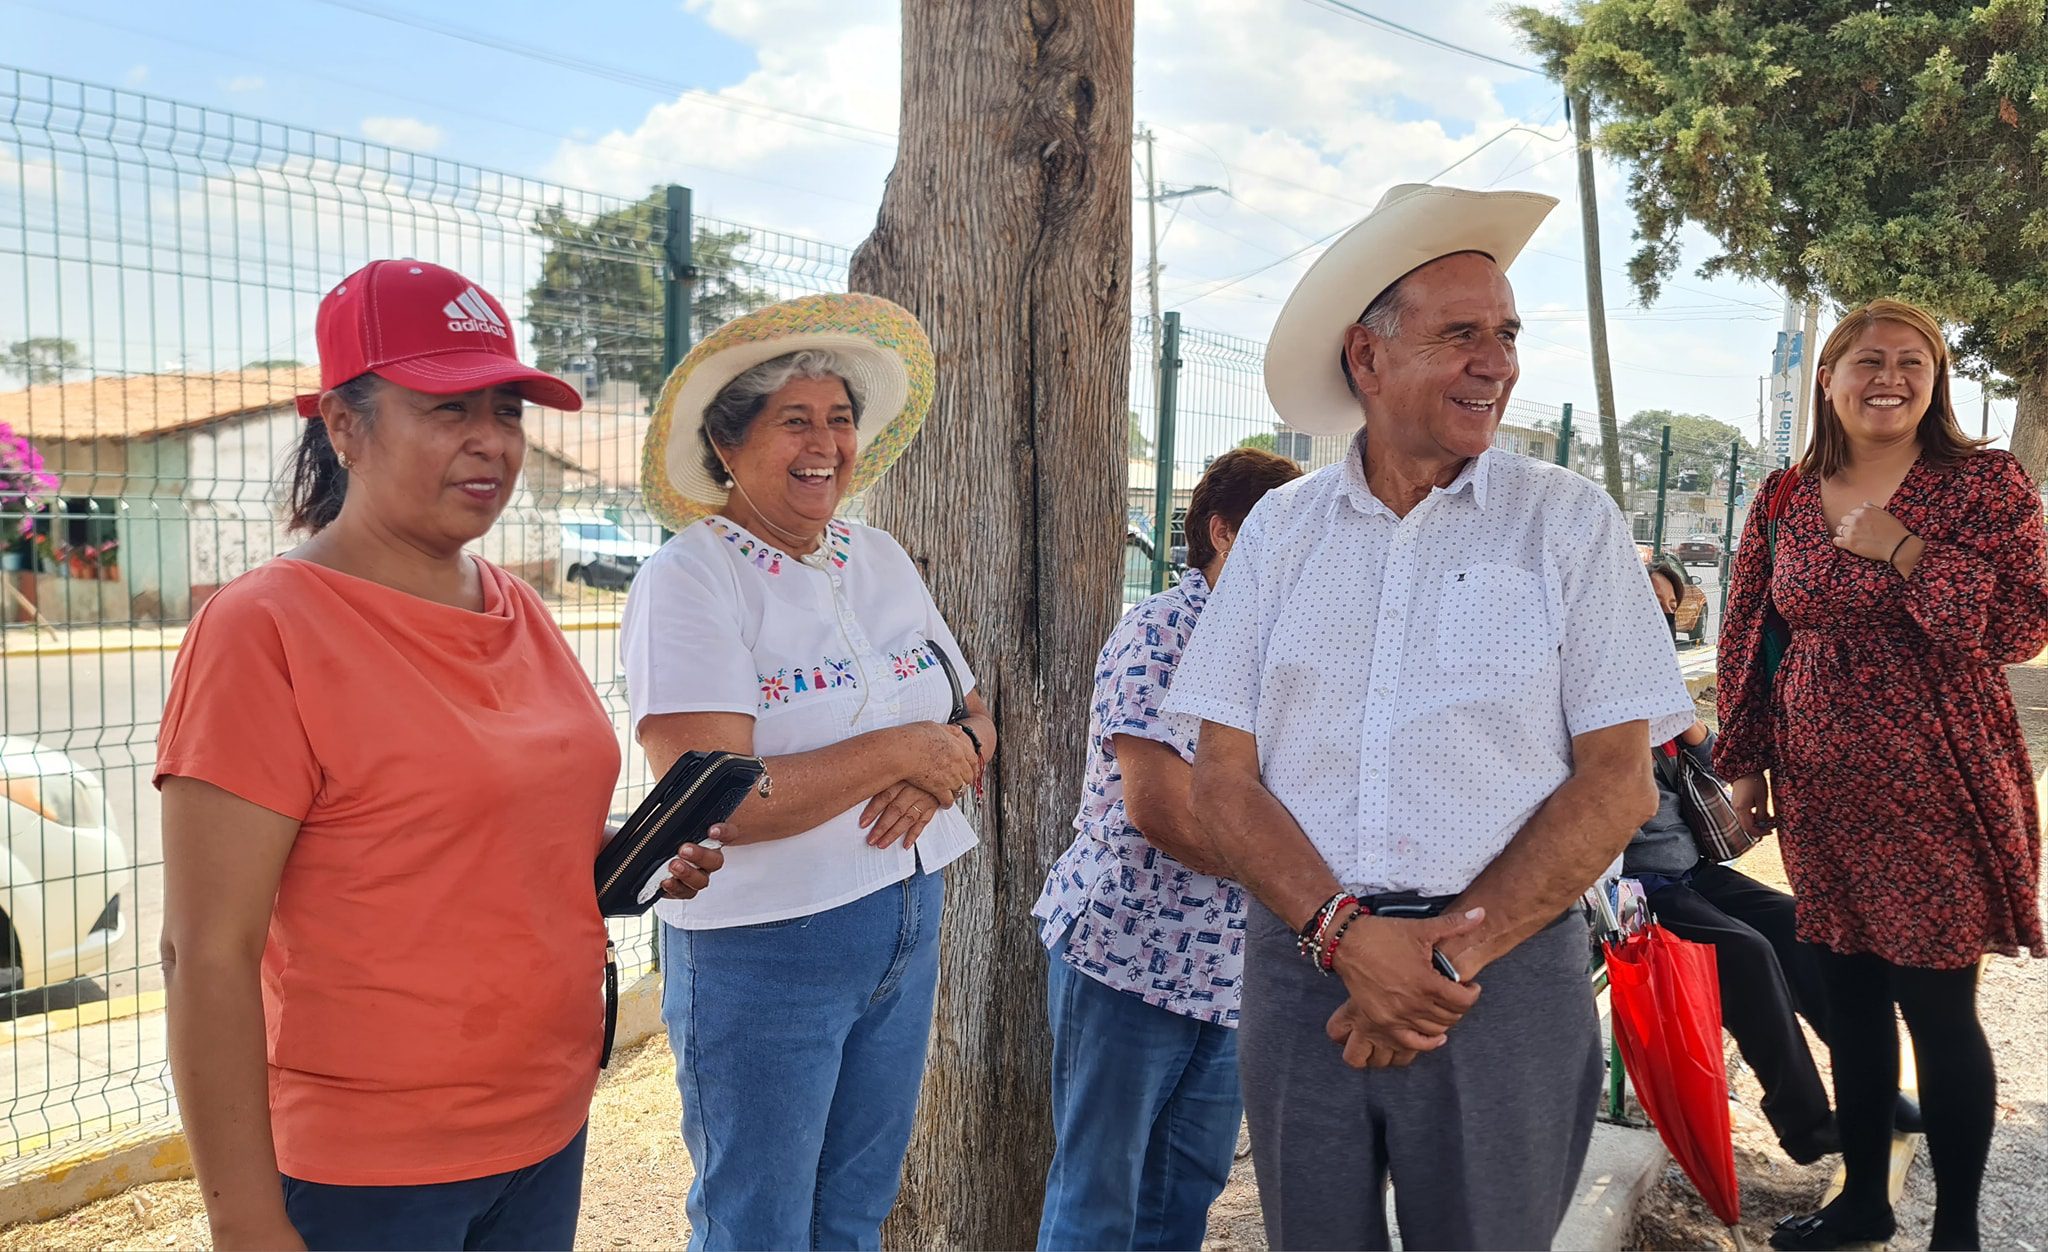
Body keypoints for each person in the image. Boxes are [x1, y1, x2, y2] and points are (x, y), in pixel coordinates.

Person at [1163, 183, 1697, 1251]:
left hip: (1500, 983)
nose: (1493, 362)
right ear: (1367, 358)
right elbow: (1220, 773)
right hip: (1305, 968)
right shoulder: (1279, 530)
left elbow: (1616, 779)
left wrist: (1446, 958)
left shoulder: (1567, 522)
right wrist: (1345, 938)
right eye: (1459, 335)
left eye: (1503, 335)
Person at [155, 261, 725, 1252]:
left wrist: (621, 851)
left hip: (543, 1123)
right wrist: (244, 1221)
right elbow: (206, 951)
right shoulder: (265, 629)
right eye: (448, 406)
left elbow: (452, 831)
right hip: (365, 1173)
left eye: (505, 408)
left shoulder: (520, 608)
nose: (491, 441)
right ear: (343, 425)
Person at [621, 293, 996, 1252]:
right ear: (727, 442)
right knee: (760, 1224)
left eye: (839, 420)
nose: (824, 442)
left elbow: (973, 715)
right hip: (765, 949)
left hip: (904, 917)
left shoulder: (876, 557)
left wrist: (944, 765)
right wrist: (906, 752)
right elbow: (723, 797)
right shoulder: (692, 577)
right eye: (795, 419)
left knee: (854, 1208)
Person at [1716, 297, 2048, 1252]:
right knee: (1852, 1001)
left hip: (1941, 779)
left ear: (1937, 380)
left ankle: (1959, 1229)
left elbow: (2022, 628)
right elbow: (1748, 635)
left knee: (1939, 1005)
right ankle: (1864, 1201)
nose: (1889, 377)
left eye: (1913, 360)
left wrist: (1904, 552)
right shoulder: (1783, 495)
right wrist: (1745, 766)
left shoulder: (1984, 488)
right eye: (1868, 360)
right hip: (1823, 791)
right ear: (1829, 378)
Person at [1032, 447, 1302, 1252]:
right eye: (1281, 532)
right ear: (1222, 532)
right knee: (1099, 1196)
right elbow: (1159, 809)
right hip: (1127, 956)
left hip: (1226, 971)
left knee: (1183, 1197)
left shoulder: (1276, 644)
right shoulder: (1162, 630)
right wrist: (1293, 877)